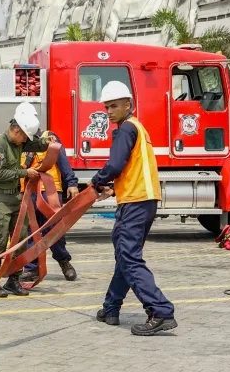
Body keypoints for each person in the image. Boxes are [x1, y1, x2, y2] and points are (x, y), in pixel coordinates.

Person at [90, 81, 177, 336]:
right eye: (106, 106)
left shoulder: (126, 129)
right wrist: (114, 189)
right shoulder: (137, 128)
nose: (109, 111)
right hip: (139, 199)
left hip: (136, 203)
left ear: (128, 104)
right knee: (124, 258)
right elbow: (133, 170)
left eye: (114, 105)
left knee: (129, 257)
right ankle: (111, 307)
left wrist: (97, 181)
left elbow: (115, 165)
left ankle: (161, 311)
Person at [0, 102, 54, 297]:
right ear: (15, 130)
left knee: (20, 240)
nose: (24, 141)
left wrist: (48, 142)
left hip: (14, 197)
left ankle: (13, 280)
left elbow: (36, 144)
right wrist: (25, 172)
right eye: (23, 136)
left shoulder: (19, 141)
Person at [19, 128, 79, 282]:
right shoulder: (21, 141)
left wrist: (71, 183)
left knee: (55, 229)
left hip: (49, 190)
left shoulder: (49, 138)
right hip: (28, 191)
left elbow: (62, 160)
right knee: (32, 231)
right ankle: (32, 268)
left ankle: (64, 261)